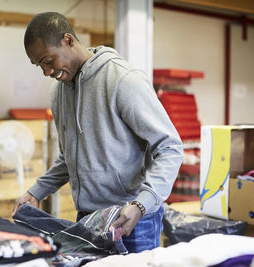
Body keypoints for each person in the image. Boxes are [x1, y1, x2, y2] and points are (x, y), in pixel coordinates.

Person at [12, 11, 183, 253]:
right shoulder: (58, 93)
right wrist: (36, 191)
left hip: (133, 220)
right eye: (39, 65)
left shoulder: (123, 80)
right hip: (87, 219)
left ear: (68, 40)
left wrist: (141, 204)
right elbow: (69, 157)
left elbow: (169, 147)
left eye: (49, 61)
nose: (46, 72)